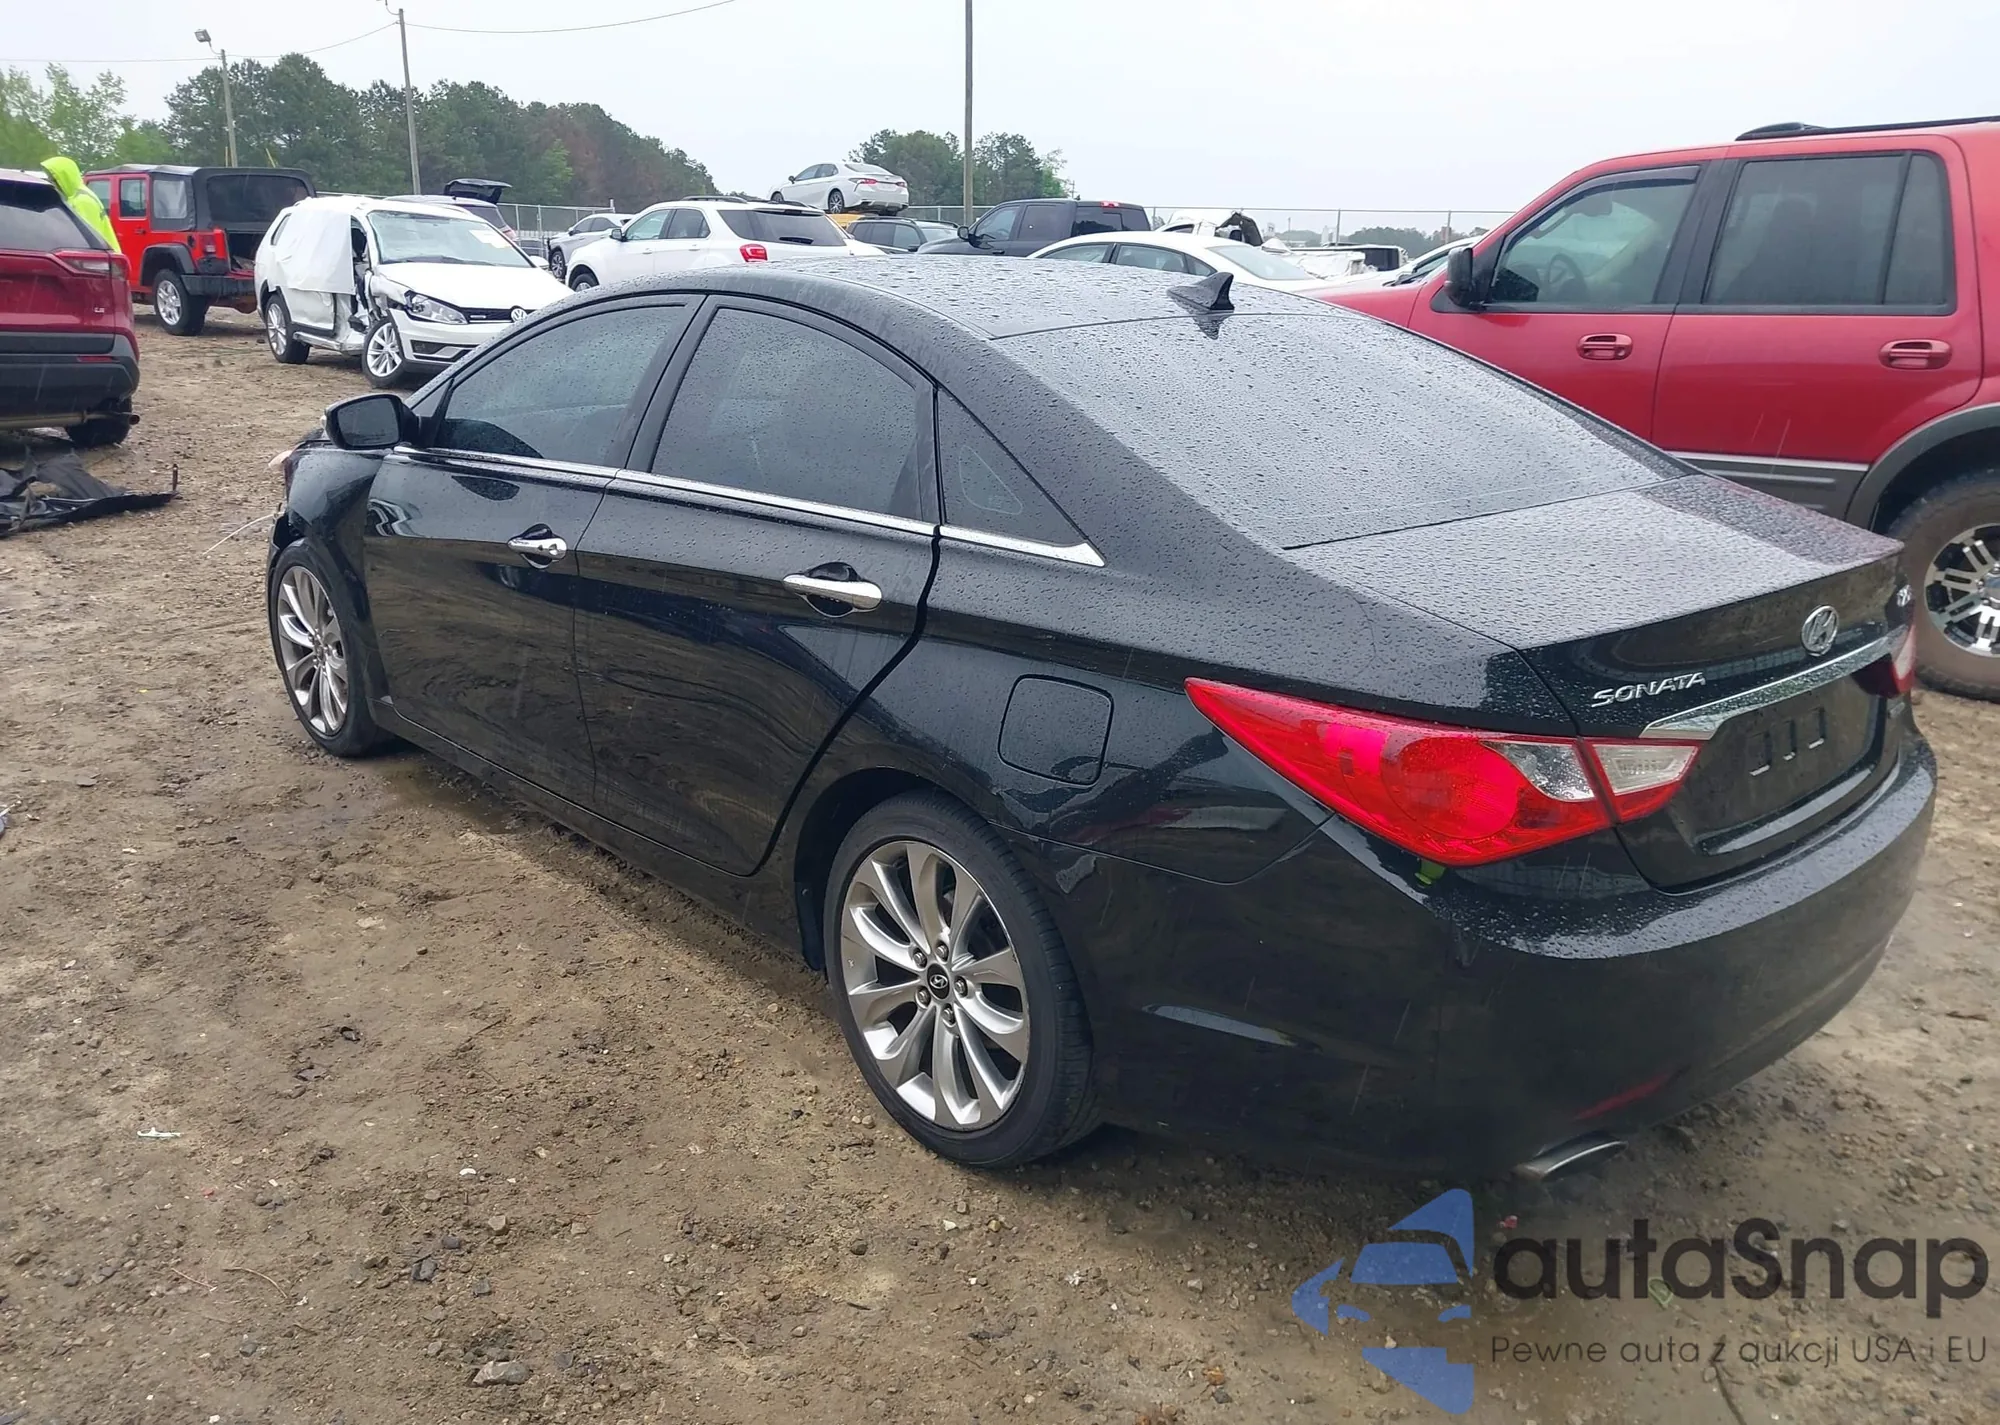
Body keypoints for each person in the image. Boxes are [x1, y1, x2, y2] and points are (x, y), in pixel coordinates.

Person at [40, 157, 116, 247]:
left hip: (99, 252)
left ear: (63, 179)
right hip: (101, 251)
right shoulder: (77, 196)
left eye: (53, 180)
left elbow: (85, 238)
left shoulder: (82, 200)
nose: (52, 185)